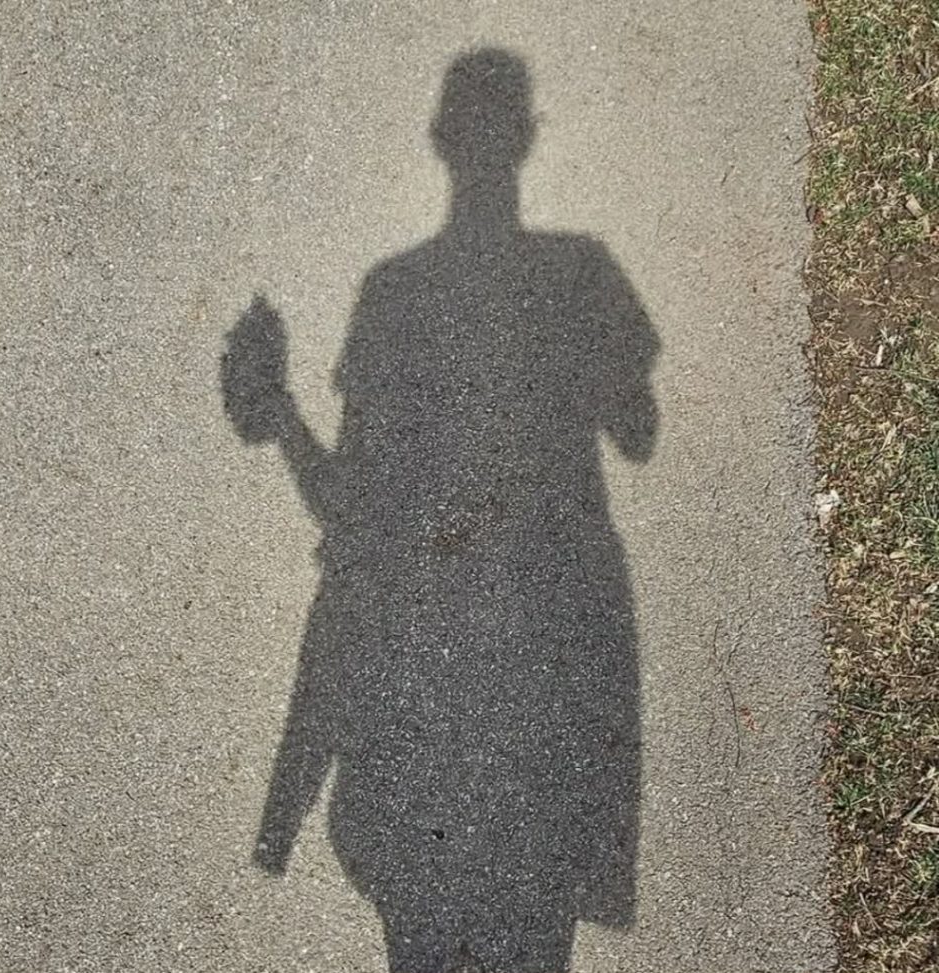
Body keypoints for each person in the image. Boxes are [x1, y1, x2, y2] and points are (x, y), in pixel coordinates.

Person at [222, 47, 659, 973]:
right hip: (550, 653)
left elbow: (353, 512)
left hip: (426, 678)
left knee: (422, 939)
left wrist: (282, 415)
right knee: (536, 933)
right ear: (528, 139)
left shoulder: (394, 293)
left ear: (439, 140)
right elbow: (639, 432)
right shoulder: (580, 270)